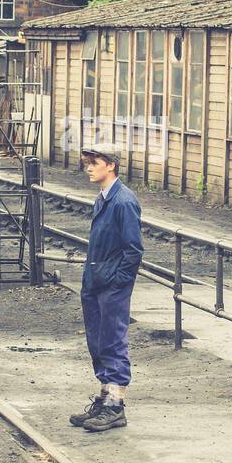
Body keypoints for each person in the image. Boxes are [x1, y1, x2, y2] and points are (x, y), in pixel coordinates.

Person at [71, 146, 144, 433]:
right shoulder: (103, 199)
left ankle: (115, 407)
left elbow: (134, 249)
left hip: (110, 284)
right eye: (87, 163)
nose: (89, 168)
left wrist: (118, 281)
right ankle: (104, 400)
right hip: (95, 281)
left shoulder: (123, 202)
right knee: (98, 342)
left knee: (113, 342)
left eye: (94, 163)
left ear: (111, 166)